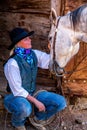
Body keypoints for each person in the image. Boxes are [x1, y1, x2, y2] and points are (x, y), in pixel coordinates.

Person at [4, 27, 67, 130]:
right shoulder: (12, 64)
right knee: (24, 108)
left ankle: (37, 119)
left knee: (61, 102)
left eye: (29, 38)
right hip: (14, 97)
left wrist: (55, 49)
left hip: (32, 93)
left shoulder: (33, 54)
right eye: (26, 39)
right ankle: (18, 123)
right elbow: (17, 90)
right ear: (18, 43)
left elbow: (49, 62)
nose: (30, 40)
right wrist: (36, 102)